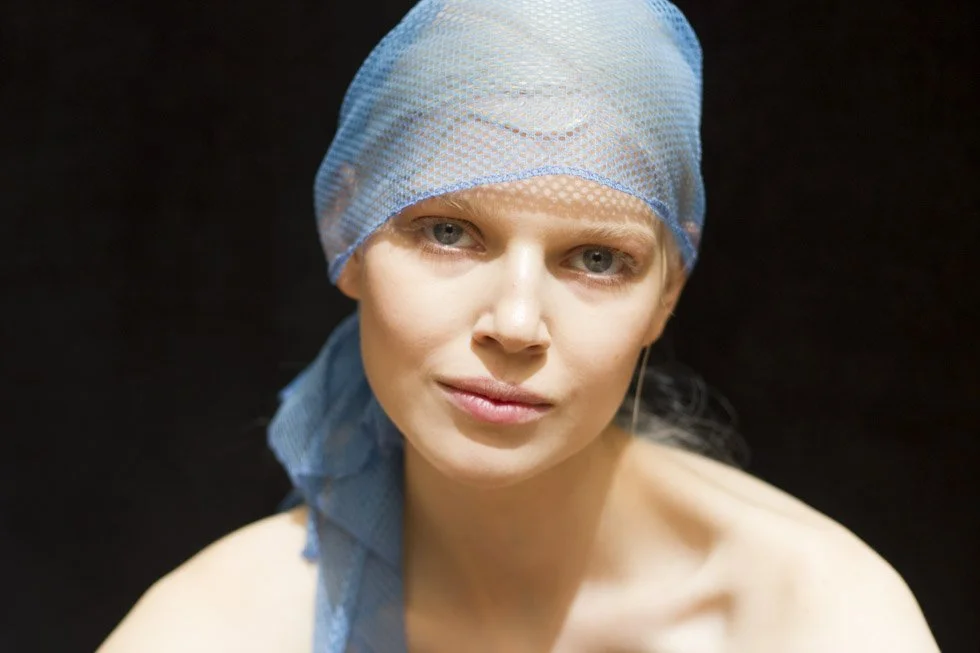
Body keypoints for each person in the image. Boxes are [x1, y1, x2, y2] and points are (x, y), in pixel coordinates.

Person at [97, 0, 939, 651]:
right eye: (449, 232)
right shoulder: (218, 626)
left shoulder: (815, 621)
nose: (516, 322)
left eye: (597, 259)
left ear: (667, 295)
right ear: (347, 230)